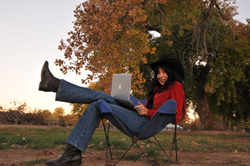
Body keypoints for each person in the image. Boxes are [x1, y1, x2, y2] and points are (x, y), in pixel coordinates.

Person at [39, 55, 186, 166]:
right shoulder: (157, 89)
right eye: (158, 72)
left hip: (143, 124)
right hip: (139, 116)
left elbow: (175, 115)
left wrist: (149, 113)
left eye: (164, 72)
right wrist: (129, 100)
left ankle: (71, 155)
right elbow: (147, 104)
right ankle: (72, 154)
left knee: (98, 103)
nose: (160, 76)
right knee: (101, 97)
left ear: (171, 72)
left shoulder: (176, 86)